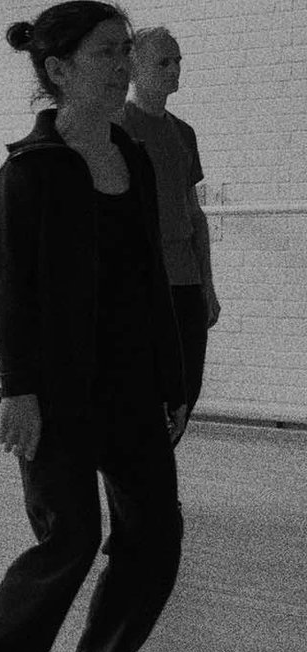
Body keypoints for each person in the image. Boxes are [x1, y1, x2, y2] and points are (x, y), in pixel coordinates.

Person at [0, 2, 188, 652]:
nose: (122, 67)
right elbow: (9, 292)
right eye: (106, 53)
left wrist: (173, 378)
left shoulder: (132, 158)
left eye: (125, 52)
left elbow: (150, 277)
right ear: (57, 69)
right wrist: (17, 391)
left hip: (132, 383)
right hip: (55, 390)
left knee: (154, 534)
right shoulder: (28, 172)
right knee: (69, 539)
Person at [121, 26, 216, 431]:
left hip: (185, 281)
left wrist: (207, 285)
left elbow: (194, 213)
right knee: (143, 397)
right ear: (133, 68)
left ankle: (159, 468)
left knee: (184, 393)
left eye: (178, 60)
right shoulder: (118, 127)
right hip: (141, 285)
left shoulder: (183, 133)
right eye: (164, 62)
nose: (175, 69)